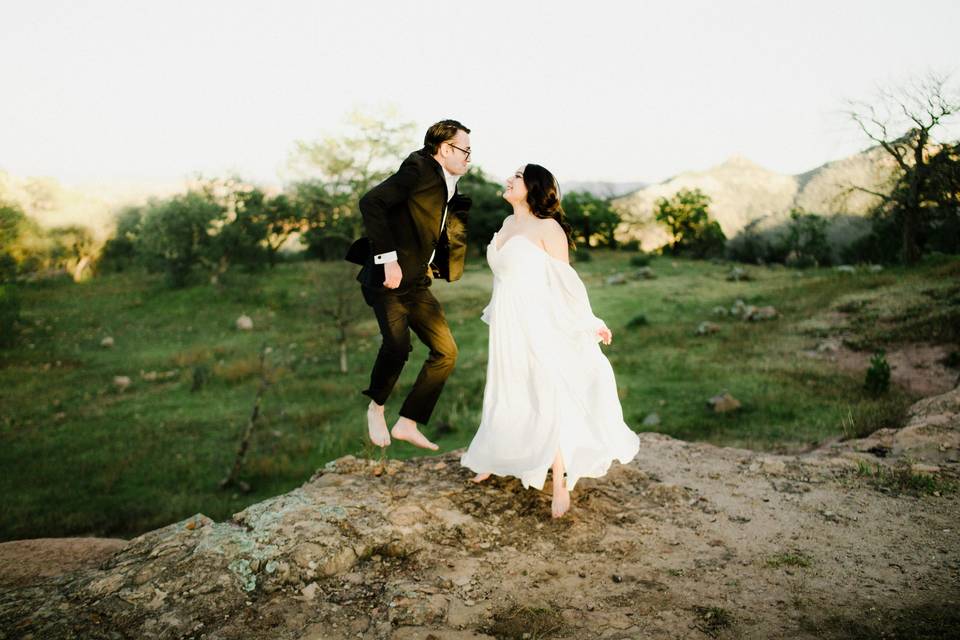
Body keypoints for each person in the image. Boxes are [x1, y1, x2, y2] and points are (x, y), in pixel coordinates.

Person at [460, 164, 640, 518]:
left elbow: (566, 283)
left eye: (517, 176)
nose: (508, 180)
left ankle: (559, 482)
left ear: (532, 187)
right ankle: (494, 456)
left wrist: (589, 322)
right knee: (508, 389)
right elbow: (504, 278)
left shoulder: (549, 228)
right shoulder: (508, 224)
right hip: (509, 324)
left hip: (541, 323)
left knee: (547, 394)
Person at [348, 119, 472, 451]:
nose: (469, 159)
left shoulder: (448, 181)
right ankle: (376, 408)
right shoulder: (418, 167)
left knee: (446, 352)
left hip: (416, 282)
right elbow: (371, 202)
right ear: (445, 149)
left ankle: (408, 422)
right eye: (465, 151)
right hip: (386, 280)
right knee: (398, 347)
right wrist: (387, 259)